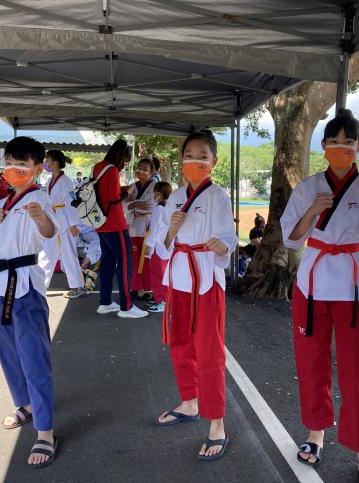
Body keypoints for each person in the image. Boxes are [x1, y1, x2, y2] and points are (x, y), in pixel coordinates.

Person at [280, 109, 359, 483]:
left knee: (357, 369)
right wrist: (313, 211)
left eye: (348, 142)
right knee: (311, 363)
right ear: (323, 146)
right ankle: (315, 434)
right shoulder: (309, 187)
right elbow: (291, 237)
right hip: (312, 284)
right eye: (334, 142)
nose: (341, 148)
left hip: (354, 287)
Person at [0, 136, 60, 468]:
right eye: (10, 162)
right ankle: (25, 403)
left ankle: (46, 431)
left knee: (34, 357)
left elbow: (49, 231)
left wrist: (40, 218)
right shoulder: (5, 200)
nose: (14, 168)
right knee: (9, 352)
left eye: (21, 164)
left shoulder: (39, 198)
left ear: (37, 169)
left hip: (24, 286)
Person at [154, 129, 238, 461]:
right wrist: (173, 229)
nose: (195, 161)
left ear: (214, 161)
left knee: (209, 352)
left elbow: (229, 237)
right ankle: (189, 402)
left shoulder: (218, 196)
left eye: (203, 156)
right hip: (179, 279)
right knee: (179, 343)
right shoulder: (175, 196)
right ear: (181, 160)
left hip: (205, 279)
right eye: (189, 155)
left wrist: (222, 246)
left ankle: (217, 424)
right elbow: (161, 243)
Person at [93, 139, 148, 318]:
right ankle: (127, 306)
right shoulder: (113, 170)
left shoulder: (98, 167)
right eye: (126, 159)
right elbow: (114, 199)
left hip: (100, 224)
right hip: (115, 224)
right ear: (122, 156)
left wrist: (124, 188)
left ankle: (105, 302)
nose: (125, 163)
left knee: (107, 263)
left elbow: (103, 192)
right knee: (125, 264)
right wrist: (129, 192)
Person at [40, 150, 89, 299]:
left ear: (55, 161)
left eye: (47, 160)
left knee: (69, 254)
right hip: (54, 219)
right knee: (47, 253)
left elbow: (71, 203)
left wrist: (73, 224)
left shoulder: (65, 181)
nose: (46, 163)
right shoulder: (50, 180)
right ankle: (40, 286)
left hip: (66, 222)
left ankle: (78, 286)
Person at [125, 158, 157, 299]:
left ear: (151, 171)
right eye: (139, 167)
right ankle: (135, 287)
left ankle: (146, 289)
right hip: (133, 227)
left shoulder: (155, 186)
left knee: (146, 259)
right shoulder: (133, 186)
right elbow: (125, 205)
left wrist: (134, 203)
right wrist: (136, 205)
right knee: (135, 258)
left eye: (145, 169)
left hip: (147, 227)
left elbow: (151, 206)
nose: (141, 171)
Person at [143, 181, 172, 313]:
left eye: (153, 192)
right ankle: (161, 298)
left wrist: (148, 245)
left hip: (158, 248)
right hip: (166, 248)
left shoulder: (159, 209)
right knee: (163, 275)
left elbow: (154, 229)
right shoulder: (168, 207)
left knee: (158, 276)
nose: (152, 195)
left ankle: (161, 301)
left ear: (158, 194)